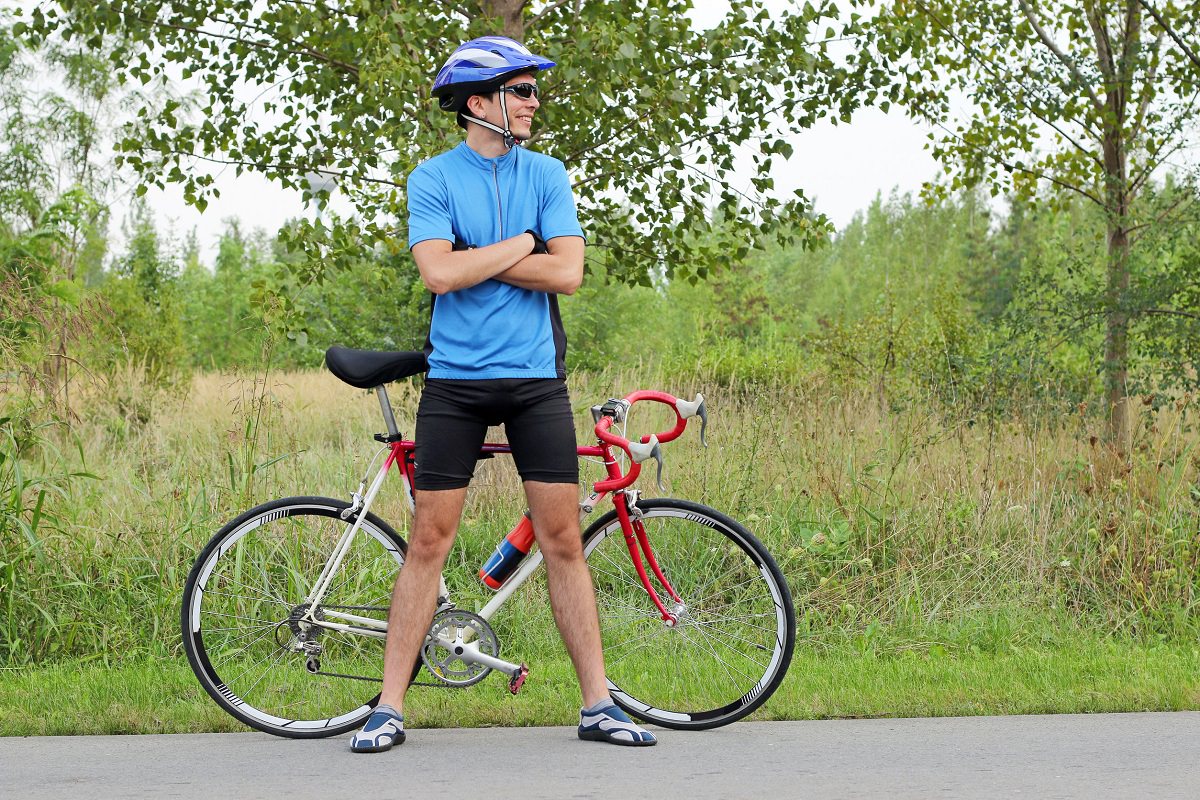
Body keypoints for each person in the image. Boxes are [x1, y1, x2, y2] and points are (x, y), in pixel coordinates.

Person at [350, 36, 657, 753]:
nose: (534, 103)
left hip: (534, 383)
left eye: (532, 91)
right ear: (479, 104)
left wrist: (484, 254)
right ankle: (389, 707)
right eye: (522, 91)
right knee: (429, 540)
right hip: (454, 382)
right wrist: (526, 245)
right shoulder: (431, 179)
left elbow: (569, 274)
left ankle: (598, 706)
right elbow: (438, 276)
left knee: (561, 542)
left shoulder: (546, 174)